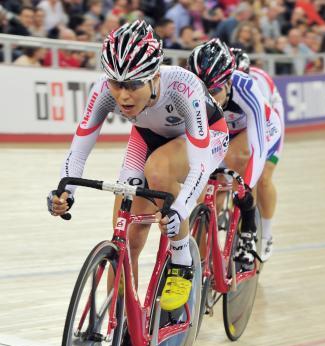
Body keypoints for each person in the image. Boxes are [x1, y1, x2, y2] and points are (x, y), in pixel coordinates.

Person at [47, 20, 229, 313]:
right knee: (126, 233)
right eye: (117, 84)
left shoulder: (183, 86)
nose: (123, 96)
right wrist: (65, 192)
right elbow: (78, 150)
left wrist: (180, 208)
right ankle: (116, 337)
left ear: (154, 76)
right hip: (147, 137)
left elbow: (200, 166)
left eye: (133, 84)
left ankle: (181, 260)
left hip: (207, 139)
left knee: (158, 169)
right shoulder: (103, 91)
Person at [187, 39, 282, 265]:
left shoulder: (248, 88)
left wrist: (247, 186)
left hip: (263, 126)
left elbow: (258, 145)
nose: (207, 98)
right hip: (225, 128)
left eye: (215, 90)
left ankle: (253, 232)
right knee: (209, 186)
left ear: (229, 83)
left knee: (257, 174)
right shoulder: (188, 89)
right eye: (202, 90)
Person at [231, 48, 285, 261]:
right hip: (239, 121)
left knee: (262, 178)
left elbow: (260, 132)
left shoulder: (255, 85)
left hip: (270, 122)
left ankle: (267, 234)